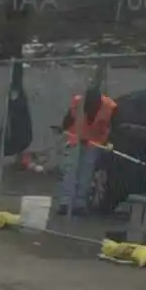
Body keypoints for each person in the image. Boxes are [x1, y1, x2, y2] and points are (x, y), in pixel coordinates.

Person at [56, 68, 116, 212]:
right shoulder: (78, 101)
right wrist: (63, 131)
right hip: (75, 139)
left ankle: (79, 203)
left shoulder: (109, 107)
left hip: (94, 142)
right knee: (70, 170)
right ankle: (66, 202)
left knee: (86, 173)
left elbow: (113, 127)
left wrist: (109, 143)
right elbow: (68, 119)